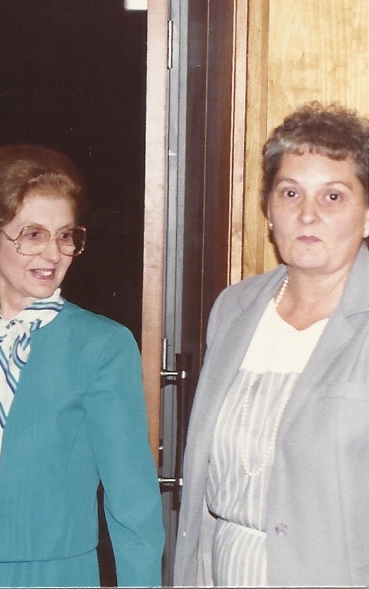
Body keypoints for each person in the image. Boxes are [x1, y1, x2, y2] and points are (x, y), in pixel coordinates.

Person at [0, 145, 164, 587]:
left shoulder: (101, 345)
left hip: (46, 566)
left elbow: (132, 498)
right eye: (32, 234)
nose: (53, 253)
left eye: (65, 235)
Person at [174, 102, 369, 586]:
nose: (307, 214)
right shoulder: (234, 309)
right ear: (268, 209)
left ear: (366, 217)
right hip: (221, 568)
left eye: (333, 197)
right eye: (290, 193)